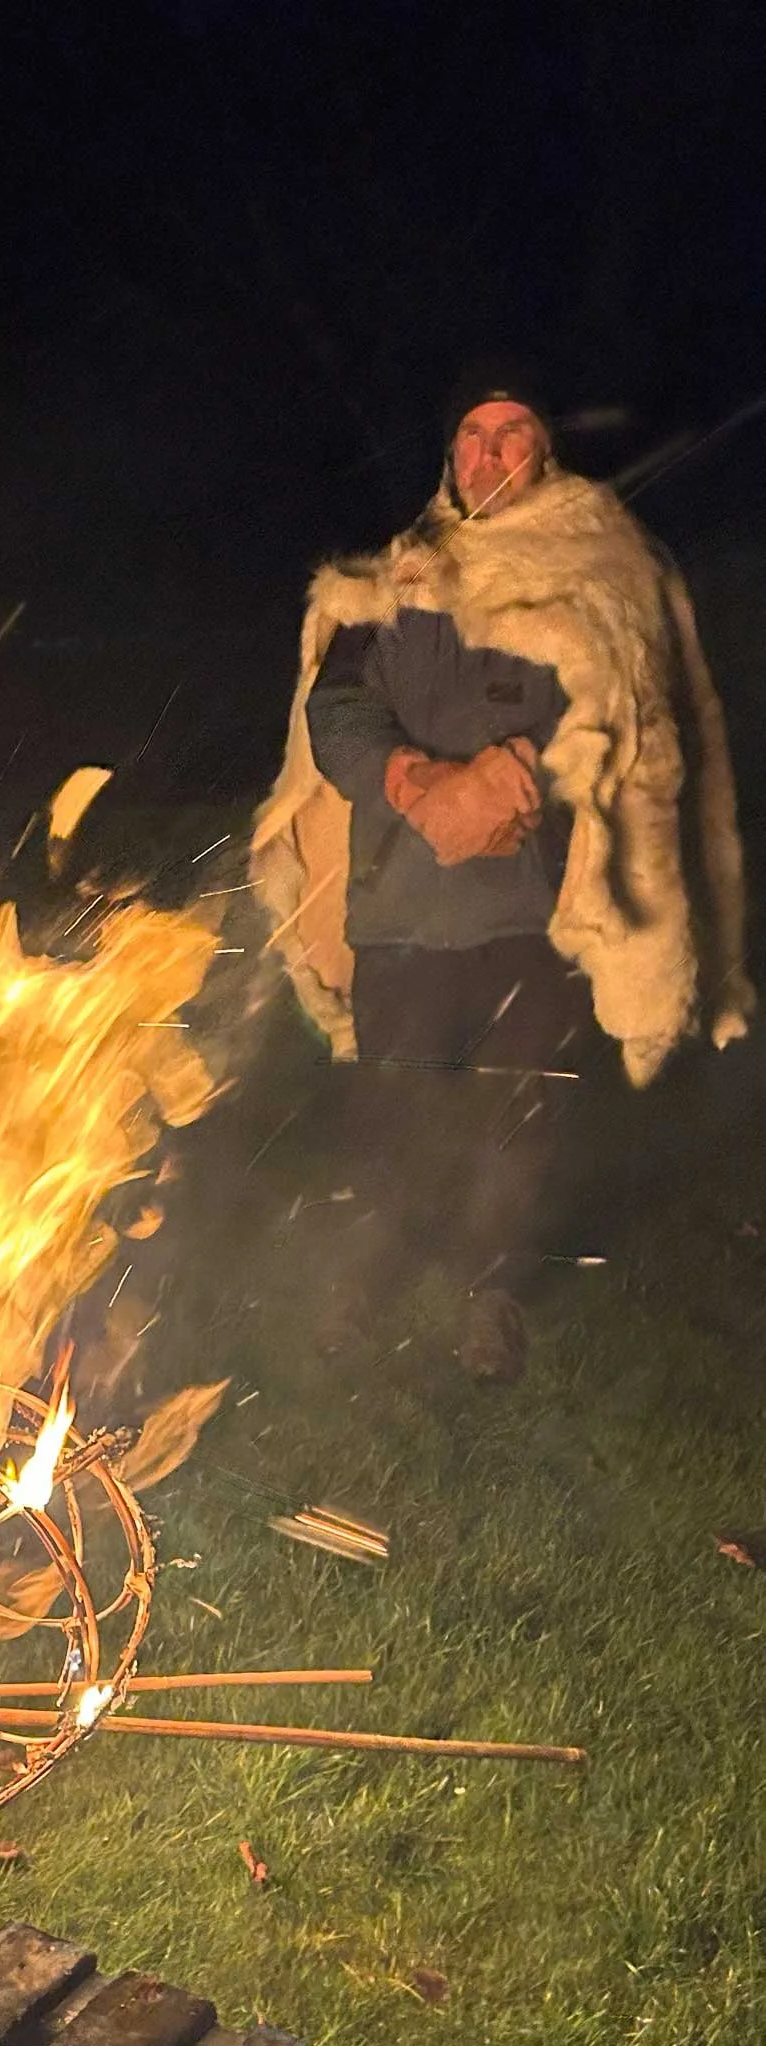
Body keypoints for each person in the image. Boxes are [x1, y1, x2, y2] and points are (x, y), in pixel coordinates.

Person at [253, 362, 751, 1384]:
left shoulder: (590, 572)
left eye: (511, 432)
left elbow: (615, 716)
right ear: (449, 453)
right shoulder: (389, 582)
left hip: (532, 906)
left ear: (542, 450)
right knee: (390, 1107)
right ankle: (362, 1282)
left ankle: (491, 1294)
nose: (489, 454)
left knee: (518, 1114)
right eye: (473, 435)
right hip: (400, 902)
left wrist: (509, 773)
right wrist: (419, 781)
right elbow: (337, 712)